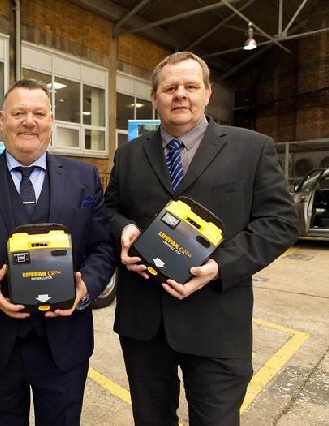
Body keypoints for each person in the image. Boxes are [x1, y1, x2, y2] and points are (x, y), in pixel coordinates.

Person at [104, 51, 299, 425]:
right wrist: (123, 232)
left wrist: (220, 266)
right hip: (145, 324)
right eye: (170, 87)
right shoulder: (129, 155)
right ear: (155, 97)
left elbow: (280, 221)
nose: (180, 94)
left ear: (207, 93)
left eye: (190, 86)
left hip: (217, 322)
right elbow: (109, 211)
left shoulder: (252, 148)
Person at [0, 79, 116, 425]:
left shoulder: (84, 177)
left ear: (51, 120)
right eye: (19, 113)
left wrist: (86, 285)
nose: (29, 121)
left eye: (38, 113)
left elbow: (103, 245)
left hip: (64, 343)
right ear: (2, 119)